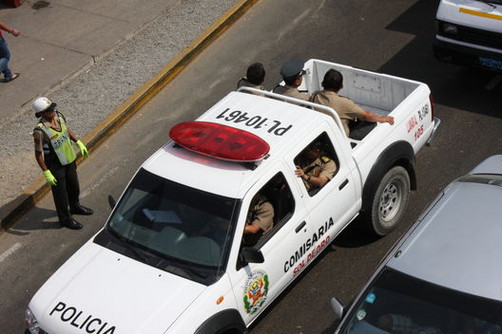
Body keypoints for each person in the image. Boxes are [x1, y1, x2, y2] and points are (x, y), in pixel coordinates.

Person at [32, 97, 93, 230]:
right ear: (41, 114)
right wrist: (46, 172)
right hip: (55, 166)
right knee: (61, 196)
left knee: (74, 187)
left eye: (52, 108)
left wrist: (78, 142)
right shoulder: (40, 131)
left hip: (69, 160)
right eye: (49, 110)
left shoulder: (59, 116)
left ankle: (75, 207)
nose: (53, 111)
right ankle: (65, 219)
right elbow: (38, 154)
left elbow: (66, 129)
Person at [311, 69, 394, 139]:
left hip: (323, 135)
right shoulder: (343, 102)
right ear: (341, 86)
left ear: (322, 83)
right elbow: (366, 115)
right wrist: (382, 119)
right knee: (371, 123)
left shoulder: (315, 95)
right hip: (340, 139)